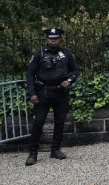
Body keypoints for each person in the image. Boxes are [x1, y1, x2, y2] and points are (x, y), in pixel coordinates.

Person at [25, 27, 80, 166]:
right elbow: (30, 74)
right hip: (43, 92)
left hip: (60, 92)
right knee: (39, 122)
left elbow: (75, 70)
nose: (53, 40)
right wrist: (32, 93)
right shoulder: (39, 54)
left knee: (60, 121)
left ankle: (55, 149)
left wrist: (69, 81)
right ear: (47, 39)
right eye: (51, 38)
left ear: (60, 39)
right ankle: (33, 153)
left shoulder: (66, 54)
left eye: (56, 38)